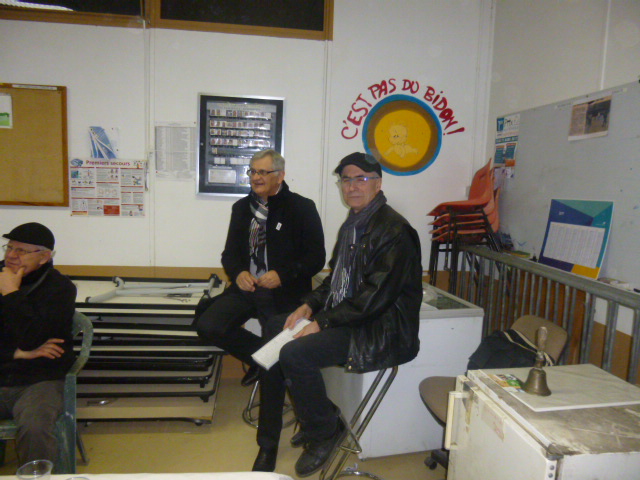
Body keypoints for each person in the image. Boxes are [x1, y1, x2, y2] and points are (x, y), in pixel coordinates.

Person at [253, 152, 422, 475]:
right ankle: (271, 438)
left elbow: (373, 298)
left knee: (295, 354)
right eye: (346, 180)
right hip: (353, 317)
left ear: (378, 184)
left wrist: (321, 322)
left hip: (379, 328)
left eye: (361, 179)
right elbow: (336, 281)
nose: (352, 187)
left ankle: (324, 431)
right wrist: (308, 305)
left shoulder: (394, 230)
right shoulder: (355, 223)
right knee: (276, 327)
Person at [195, 149, 325, 388]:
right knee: (207, 325)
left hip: (285, 292)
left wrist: (283, 275)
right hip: (248, 288)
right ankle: (261, 359)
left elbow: (316, 258)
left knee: (280, 337)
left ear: (280, 175)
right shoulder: (242, 208)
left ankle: (273, 370)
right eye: (253, 171)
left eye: (263, 172)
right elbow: (229, 255)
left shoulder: (302, 208)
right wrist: (239, 273)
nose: (256, 177)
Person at [0, 222, 77, 467]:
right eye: (9, 247)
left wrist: (11, 294)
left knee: (35, 426)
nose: (11, 255)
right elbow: (29, 344)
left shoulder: (60, 289)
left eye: (22, 251)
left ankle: (37, 476)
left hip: (40, 379)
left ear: (44, 257)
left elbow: (35, 339)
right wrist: (17, 353)